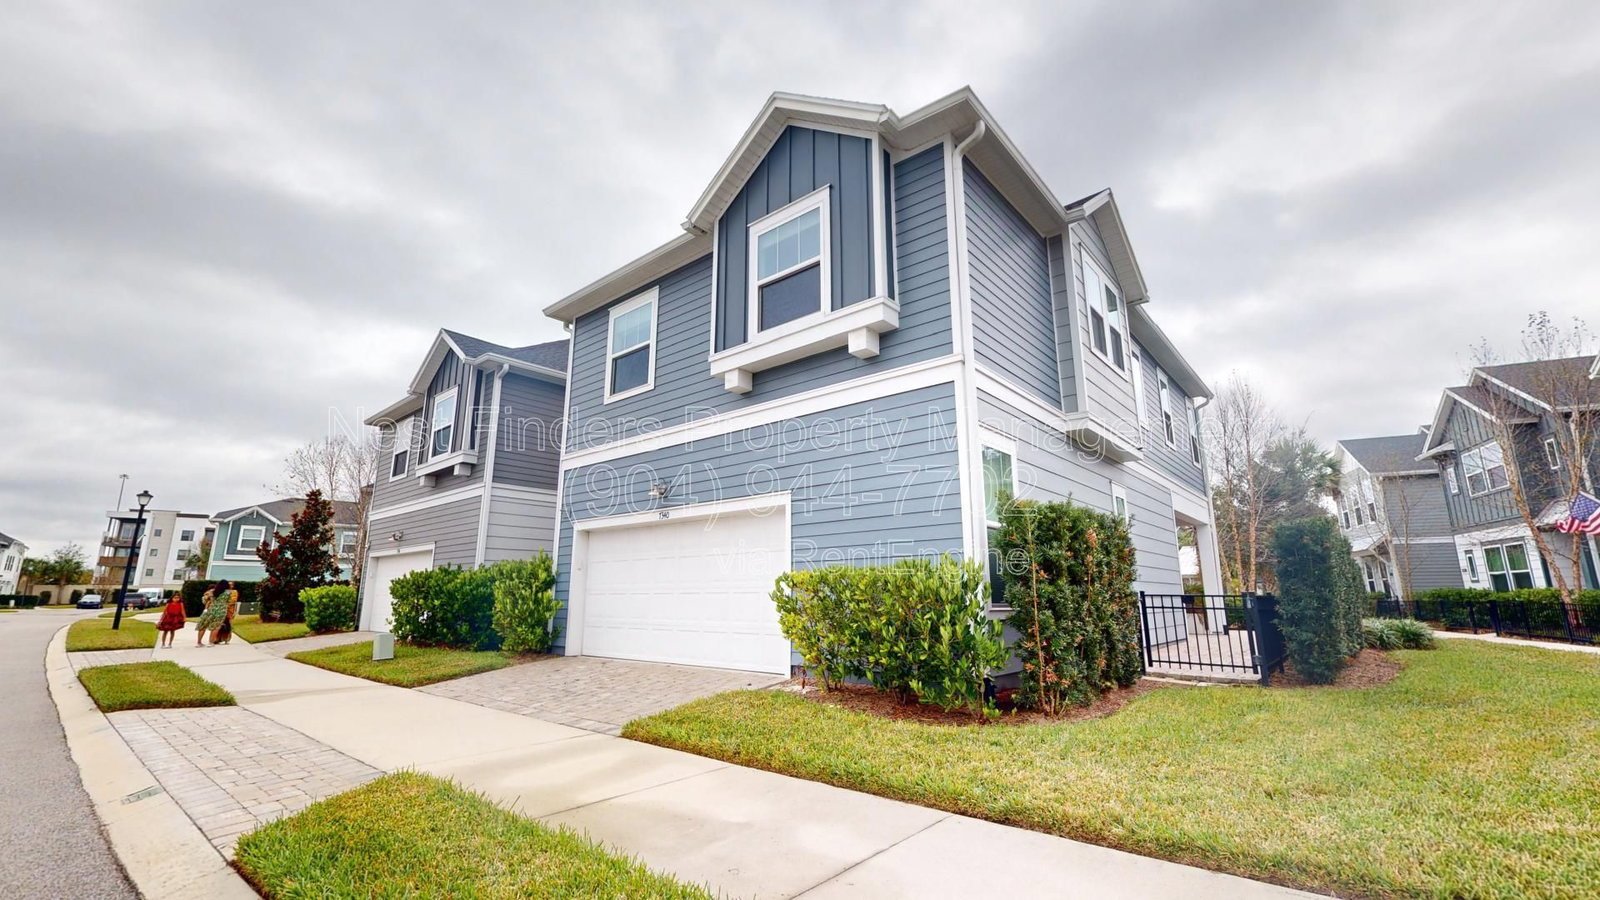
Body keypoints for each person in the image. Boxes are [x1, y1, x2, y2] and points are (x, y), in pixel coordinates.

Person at [195, 580, 232, 646]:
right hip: (221, 611)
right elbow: (229, 601)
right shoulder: (228, 593)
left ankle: (199, 642)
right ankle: (210, 642)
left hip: (210, 610)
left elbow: (204, 600)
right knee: (216, 627)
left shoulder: (212, 591)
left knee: (203, 626)